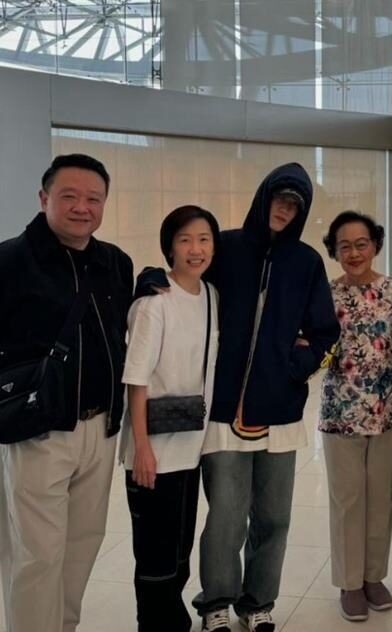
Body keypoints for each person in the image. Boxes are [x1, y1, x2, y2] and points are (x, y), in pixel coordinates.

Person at [135, 162, 340, 632]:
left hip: (279, 412)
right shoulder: (226, 247)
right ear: (263, 197)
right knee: (226, 517)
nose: (284, 209)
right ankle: (217, 603)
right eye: (279, 199)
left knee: (274, 518)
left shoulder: (306, 262)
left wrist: (294, 367)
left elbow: (326, 331)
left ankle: (258, 602)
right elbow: (184, 275)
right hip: (223, 409)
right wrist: (148, 277)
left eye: (294, 205)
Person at [0, 154, 133, 632]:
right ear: (44, 198)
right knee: (37, 553)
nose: (82, 207)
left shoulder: (115, 262)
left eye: (93, 198)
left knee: (82, 544)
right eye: (69, 196)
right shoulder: (11, 260)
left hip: (100, 429)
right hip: (38, 429)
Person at [121, 206, 221, 631]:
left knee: (179, 551)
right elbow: (136, 378)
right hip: (154, 452)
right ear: (169, 248)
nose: (196, 249)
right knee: (155, 557)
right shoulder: (153, 302)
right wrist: (141, 448)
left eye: (204, 239)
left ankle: (173, 619)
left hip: (190, 447)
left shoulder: (211, 295)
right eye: (185, 240)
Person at [319, 211, 392, 622]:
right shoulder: (325, 295)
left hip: (388, 409)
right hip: (341, 411)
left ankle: (373, 576)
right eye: (344, 246)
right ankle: (350, 582)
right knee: (347, 499)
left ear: (375, 245)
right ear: (334, 251)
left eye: (361, 244)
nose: (354, 253)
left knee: (380, 497)